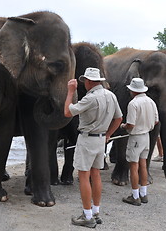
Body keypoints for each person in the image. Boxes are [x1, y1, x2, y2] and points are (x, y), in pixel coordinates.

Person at [64, 67, 122, 228]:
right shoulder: (111, 96)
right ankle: (96, 212)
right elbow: (119, 118)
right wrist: (109, 134)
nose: (84, 84)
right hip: (101, 139)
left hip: (87, 139)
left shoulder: (90, 98)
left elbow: (68, 112)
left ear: (89, 81)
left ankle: (87, 215)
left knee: (84, 176)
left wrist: (70, 92)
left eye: (85, 81)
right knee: (96, 174)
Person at [120, 78, 159, 206]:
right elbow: (156, 121)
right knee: (143, 165)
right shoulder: (151, 101)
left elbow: (131, 124)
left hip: (136, 137)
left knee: (133, 166)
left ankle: (135, 196)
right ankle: (144, 194)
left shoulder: (133, 103)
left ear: (133, 90)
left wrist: (123, 126)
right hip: (146, 136)